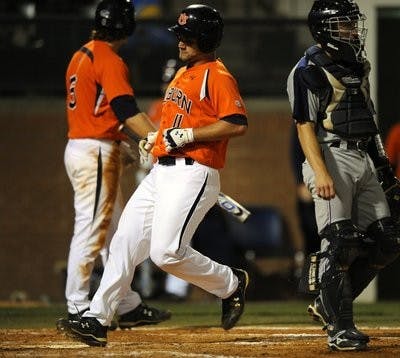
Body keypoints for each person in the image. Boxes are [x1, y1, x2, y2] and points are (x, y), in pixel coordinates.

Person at [68, 3, 249, 347]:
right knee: (123, 242)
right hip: (162, 173)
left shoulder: (218, 75)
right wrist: (154, 141)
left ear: (205, 37)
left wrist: (189, 136)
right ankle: (96, 318)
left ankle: (231, 284)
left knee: (166, 253)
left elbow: (236, 124)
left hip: (194, 173)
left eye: (187, 36)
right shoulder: (183, 73)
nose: (179, 41)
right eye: (179, 35)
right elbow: (174, 126)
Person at [287, 0, 400, 351]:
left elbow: (367, 119)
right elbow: (304, 126)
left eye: (352, 24)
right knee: (340, 243)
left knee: (388, 240)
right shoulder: (307, 69)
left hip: (362, 156)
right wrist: (320, 172)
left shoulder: (357, 65)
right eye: (344, 25)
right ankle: (340, 328)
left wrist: (383, 168)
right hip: (330, 153)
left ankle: (327, 301)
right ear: (324, 29)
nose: (352, 31)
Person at [58, 0, 171, 333]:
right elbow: (125, 109)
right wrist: (160, 139)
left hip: (90, 146)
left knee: (116, 234)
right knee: (92, 229)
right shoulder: (108, 58)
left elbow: (103, 113)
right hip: (95, 152)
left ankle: (125, 304)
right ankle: (78, 306)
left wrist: (133, 145)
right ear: (127, 28)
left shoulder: (81, 54)